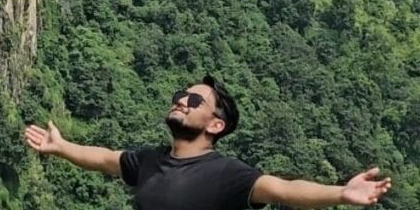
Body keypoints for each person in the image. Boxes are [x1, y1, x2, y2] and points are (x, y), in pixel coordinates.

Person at [24, 75, 393, 209]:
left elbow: (283, 189)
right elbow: (104, 158)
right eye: (181, 94)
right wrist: (61, 146)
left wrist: (340, 194)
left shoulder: (226, 175)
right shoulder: (149, 161)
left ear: (216, 125)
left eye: (195, 100)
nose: (182, 99)